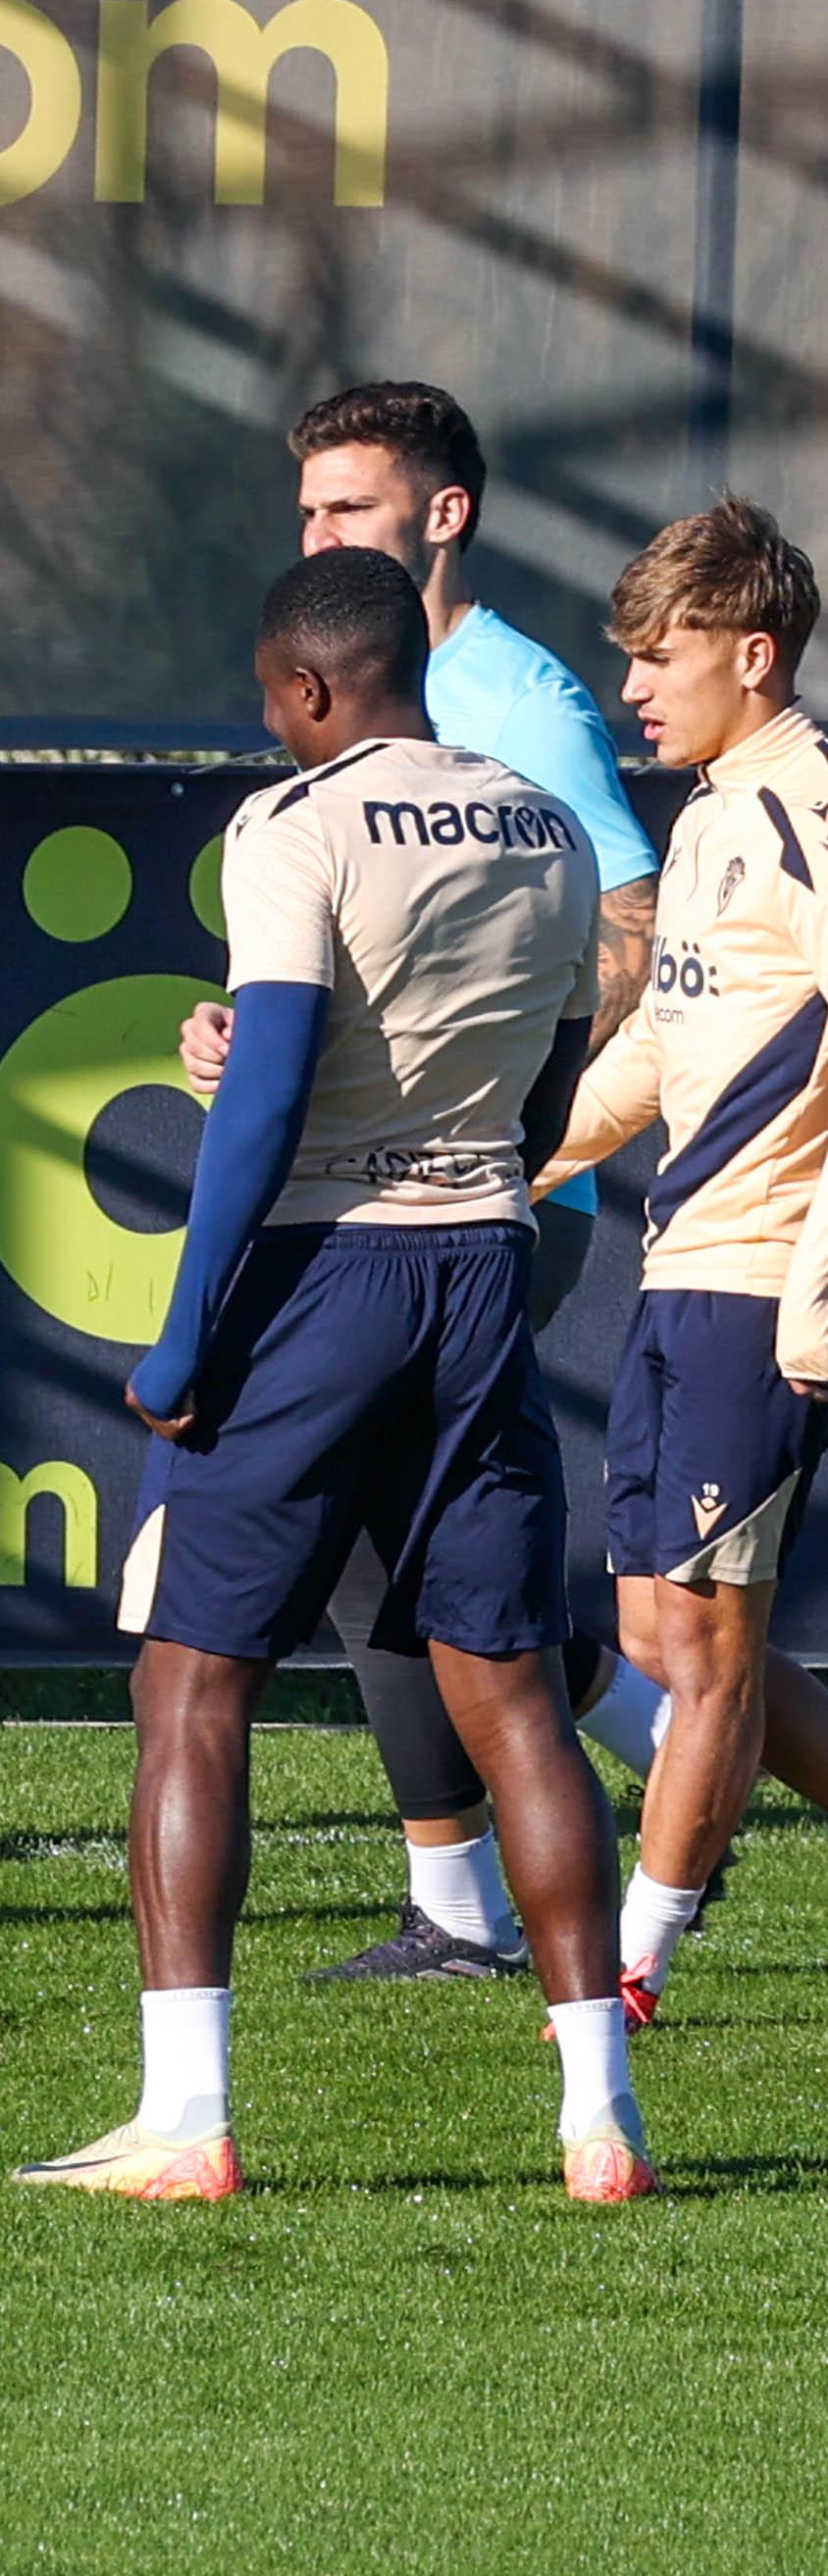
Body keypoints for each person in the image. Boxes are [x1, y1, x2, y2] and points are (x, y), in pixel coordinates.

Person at [24, 547, 639, 2203]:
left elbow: (274, 1093)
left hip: (321, 1271)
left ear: (302, 689)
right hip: (486, 1260)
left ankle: (185, 2121)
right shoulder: (542, 821)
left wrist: (184, 1331)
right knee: (510, 1690)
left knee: (192, 1680)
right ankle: (602, 2123)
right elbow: (552, 1075)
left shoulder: (294, 825)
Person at [254, 382, 674, 1982]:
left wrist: (509, 1116)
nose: (320, 538)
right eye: (307, 514)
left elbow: (633, 934)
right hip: (388, 1194)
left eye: (350, 509)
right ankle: (526, 1836)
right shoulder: (362, 685)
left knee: (395, 1543)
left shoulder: (516, 698)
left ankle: (526, 1852)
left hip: (487, 1199)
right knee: (400, 1550)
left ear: (444, 516)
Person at [544, 498, 828, 2031]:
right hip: (677, 1263)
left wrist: (821, 1280)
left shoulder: (811, 807)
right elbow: (661, 1036)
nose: (638, 687)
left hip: (766, 1275)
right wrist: (518, 1157)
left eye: (663, 657)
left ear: (756, 652)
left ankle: (636, 1962)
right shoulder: (713, 812)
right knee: (663, 1625)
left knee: (710, 1640)